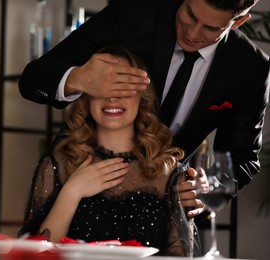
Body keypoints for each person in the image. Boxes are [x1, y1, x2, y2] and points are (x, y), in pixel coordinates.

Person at [18, 0, 270, 207]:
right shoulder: (131, 13)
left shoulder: (251, 68)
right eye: (190, 14)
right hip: (76, 182)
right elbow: (32, 79)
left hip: (165, 203)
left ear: (237, 22)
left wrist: (205, 191)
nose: (192, 34)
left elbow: (242, 158)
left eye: (210, 29)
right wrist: (78, 78)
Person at [19, 47, 199, 256]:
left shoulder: (171, 173)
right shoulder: (56, 165)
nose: (112, 98)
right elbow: (32, 256)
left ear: (142, 98)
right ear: (86, 98)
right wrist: (72, 192)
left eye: (123, 87)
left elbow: (182, 256)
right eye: (103, 87)